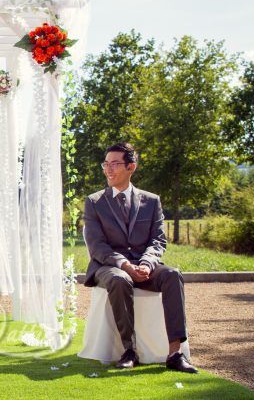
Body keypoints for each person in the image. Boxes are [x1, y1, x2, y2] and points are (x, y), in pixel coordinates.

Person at [82, 142, 198, 373]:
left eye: (115, 164)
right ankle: (129, 350)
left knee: (173, 275)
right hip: (109, 266)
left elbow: (158, 240)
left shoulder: (152, 201)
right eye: (106, 164)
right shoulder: (94, 202)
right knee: (119, 279)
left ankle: (175, 353)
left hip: (144, 264)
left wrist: (146, 263)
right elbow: (97, 246)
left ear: (131, 167)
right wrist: (125, 264)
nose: (109, 169)